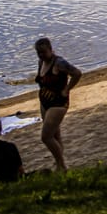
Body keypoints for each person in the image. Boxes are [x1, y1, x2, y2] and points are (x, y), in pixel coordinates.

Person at [34, 36, 81, 171]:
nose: (41, 55)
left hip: (58, 103)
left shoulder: (59, 63)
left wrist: (67, 89)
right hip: (44, 102)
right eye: (39, 53)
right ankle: (59, 164)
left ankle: (62, 164)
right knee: (55, 135)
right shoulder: (40, 62)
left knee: (46, 137)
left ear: (50, 49)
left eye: (43, 52)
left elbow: (77, 73)